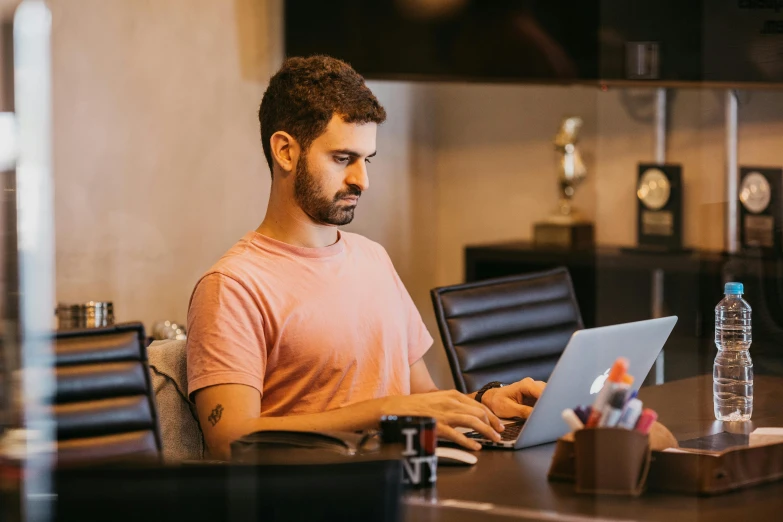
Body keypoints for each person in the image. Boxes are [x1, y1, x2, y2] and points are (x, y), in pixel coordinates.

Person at [186, 55, 546, 460]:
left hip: (405, 483)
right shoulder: (232, 287)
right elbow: (229, 438)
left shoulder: (372, 259)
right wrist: (383, 413)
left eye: (366, 160)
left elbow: (420, 400)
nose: (362, 180)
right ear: (285, 151)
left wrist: (483, 403)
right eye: (343, 159)